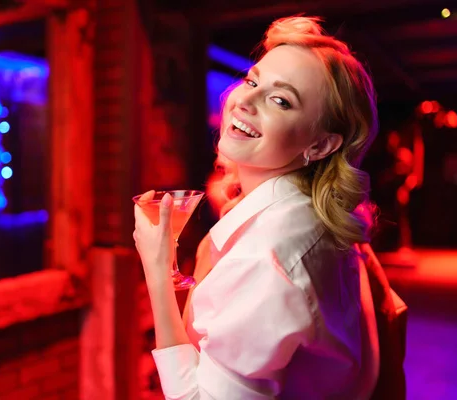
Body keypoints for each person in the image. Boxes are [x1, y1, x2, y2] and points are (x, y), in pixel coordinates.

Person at [133, 16, 380, 399]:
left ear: (320, 146)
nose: (243, 100)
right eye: (252, 81)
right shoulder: (308, 214)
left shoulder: (266, 259)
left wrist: (157, 270)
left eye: (280, 100)